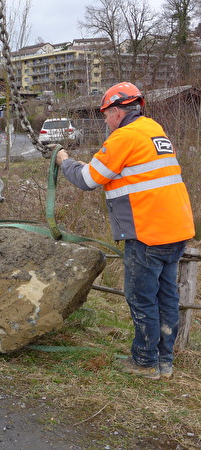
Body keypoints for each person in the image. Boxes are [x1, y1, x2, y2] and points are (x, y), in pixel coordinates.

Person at [54, 82, 195, 380]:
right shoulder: (153, 130)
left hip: (148, 233)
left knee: (141, 298)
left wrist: (64, 160)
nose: (105, 120)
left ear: (118, 111)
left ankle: (144, 363)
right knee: (166, 296)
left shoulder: (125, 136)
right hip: (177, 229)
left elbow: (88, 179)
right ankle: (164, 361)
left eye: (106, 114)